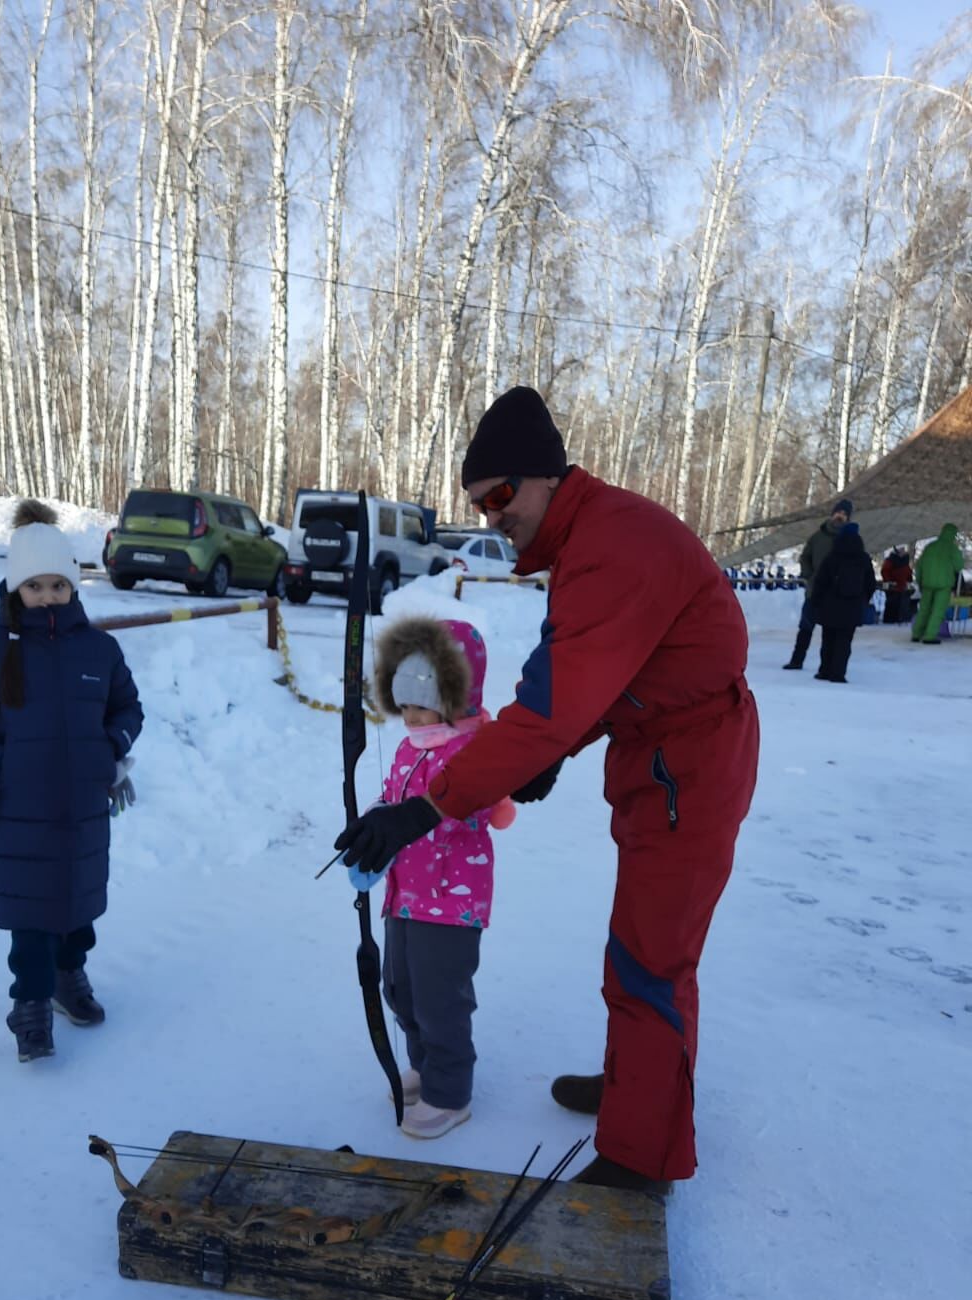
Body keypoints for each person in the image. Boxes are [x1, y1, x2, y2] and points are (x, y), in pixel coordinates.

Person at [336, 386, 759, 1194]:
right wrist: (554, 748)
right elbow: (565, 667)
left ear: (546, 477)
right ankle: (639, 1087)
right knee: (636, 947)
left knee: (651, 959)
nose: (490, 515)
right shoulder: (590, 540)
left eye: (499, 496)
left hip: (692, 764)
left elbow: (555, 703)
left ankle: (640, 1158)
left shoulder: (614, 545)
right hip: (660, 755)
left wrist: (427, 806)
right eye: (476, 503)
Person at [0, 500, 143, 1062]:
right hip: (21, 811)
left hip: (83, 807)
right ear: (15, 590)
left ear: (74, 587)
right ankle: (29, 1004)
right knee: (30, 915)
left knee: (79, 905)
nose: (48, 596)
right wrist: (0, 763)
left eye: (59, 584)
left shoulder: (99, 650)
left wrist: (111, 750)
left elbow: (128, 709)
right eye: (35, 586)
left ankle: (68, 977)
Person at [358, 617, 515, 1139]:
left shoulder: (474, 752)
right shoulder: (412, 745)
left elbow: (474, 805)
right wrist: (376, 822)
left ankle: (450, 1093)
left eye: (421, 704)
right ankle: (424, 1067)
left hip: (451, 900)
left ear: (457, 696)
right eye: (402, 705)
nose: (410, 717)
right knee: (399, 988)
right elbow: (395, 795)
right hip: (404, 894)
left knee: (439, 996)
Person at [783, 499, 853, 670]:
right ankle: (797, 660)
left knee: (830, 632)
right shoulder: (818, 536)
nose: (840, 516)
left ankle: (827, 666)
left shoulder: (850, 539)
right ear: (832, 514)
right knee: (806, 627)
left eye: (844, 514)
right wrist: (808, 574)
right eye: (838, 512)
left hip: (835, 593)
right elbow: (805, 557)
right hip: (815, 590)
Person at [810, 523, 875, 682]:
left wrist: (816, 601)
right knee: (844, 642)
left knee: (828, 640)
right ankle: (838, 673)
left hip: (830, 605)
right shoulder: (863, 558)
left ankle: (824, 670)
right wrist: (863, 600)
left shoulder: (832, 557)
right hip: (852, 607)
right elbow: (870, 583)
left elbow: (821, 581)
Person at [911, 523, 966, 644]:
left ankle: (916, 634)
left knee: (924, 609)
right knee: (938, 610)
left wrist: (920, 582)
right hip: (944, 585)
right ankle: (929, 636)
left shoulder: (930, 547)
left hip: (927, 584)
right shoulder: (952, 549)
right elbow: (959, 566)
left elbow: (919, 566)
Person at [880, 547, 912, 625]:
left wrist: (909, 580)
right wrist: (889, 581)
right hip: (892, 588)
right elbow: (884, 571)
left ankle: (900, 620)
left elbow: (908, 573)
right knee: (892, 605)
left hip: (902, 587)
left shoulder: (904, 561)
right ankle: (890, 621)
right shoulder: (890, 561)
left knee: (901, 605)